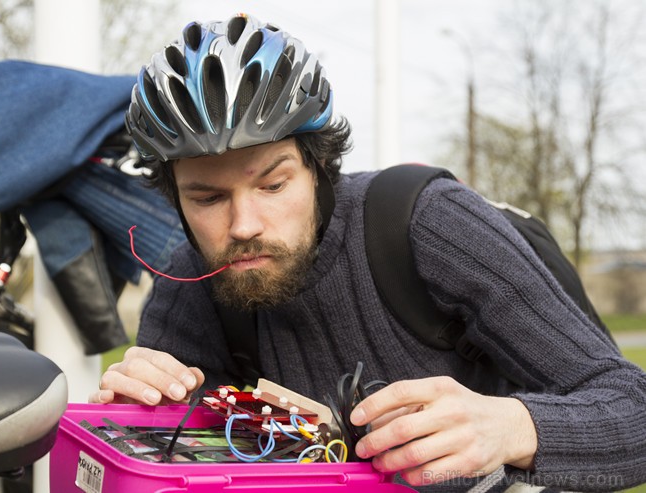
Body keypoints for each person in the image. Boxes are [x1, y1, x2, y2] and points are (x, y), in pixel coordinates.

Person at [89, 13, 646, 492]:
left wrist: (512, 426)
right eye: (207, 197)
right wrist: (142, 418)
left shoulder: (428, 222)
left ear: (318, 166)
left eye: (274, 185)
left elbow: (632, 406)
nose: (243, 225)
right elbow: (180, 464)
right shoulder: (193, 274)